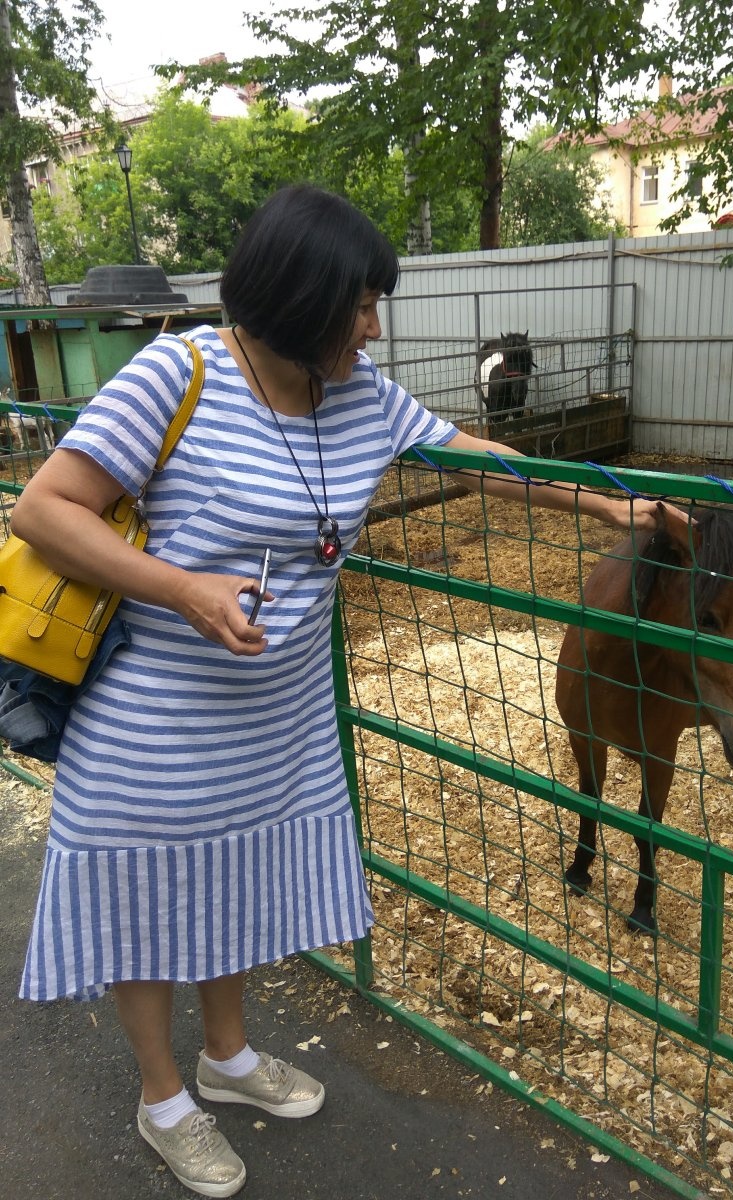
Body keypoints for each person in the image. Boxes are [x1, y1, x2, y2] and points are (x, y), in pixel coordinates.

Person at [12, 184, 681, 1197]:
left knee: (233, 882)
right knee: (146, 897)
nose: (374, 324)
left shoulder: (362, 394)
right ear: (297, 296)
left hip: (272, 723)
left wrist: (613, 504)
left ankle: (226, 1058)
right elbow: (45, 508)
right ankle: (163, 1099)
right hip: (152, 723)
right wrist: (186, 589)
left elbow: (481, 464)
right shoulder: (178, 371)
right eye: (361, 302)